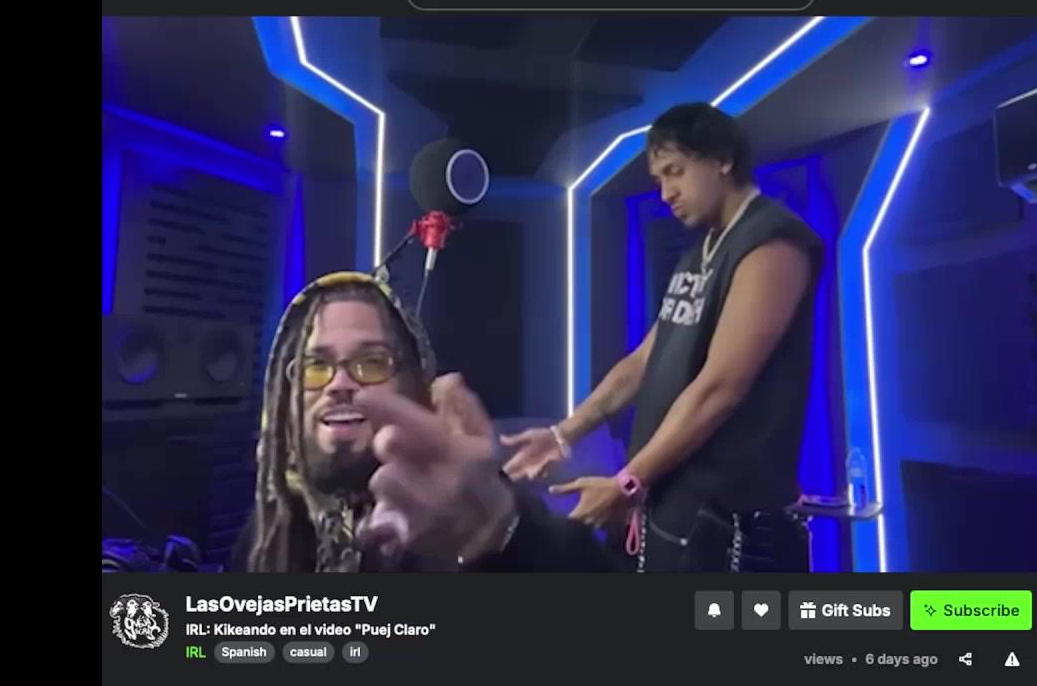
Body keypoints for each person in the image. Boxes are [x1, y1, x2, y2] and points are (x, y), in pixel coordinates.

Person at [502, 102, 821, 573]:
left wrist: (627, 481)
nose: (666, 193)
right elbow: (642, 362)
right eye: (659, 180)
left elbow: (720, 387)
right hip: (671, 507)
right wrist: (561, 435)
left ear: (722, 159)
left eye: (675, 172)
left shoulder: (772, 242)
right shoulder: (697, 255)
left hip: (731, 526)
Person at [231, 271, 613, 573]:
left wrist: (502, 532)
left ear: (414, 388)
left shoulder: (467, 500)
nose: (339, 383)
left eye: (372, 362)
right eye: (316, 365)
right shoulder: (270, 528)